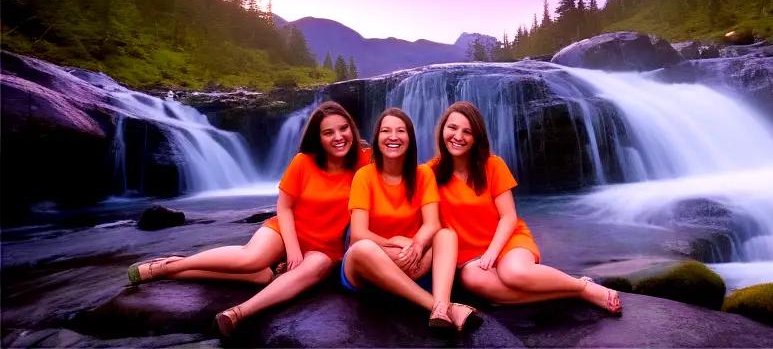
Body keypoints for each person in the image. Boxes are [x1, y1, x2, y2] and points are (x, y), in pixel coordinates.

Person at [126, 101, 371, 340]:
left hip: (326, 248)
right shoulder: (303, 162)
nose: (338, 136)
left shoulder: (364, 160)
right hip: (287, 231)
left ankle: (238, 313)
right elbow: (284, 207)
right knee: (252, 260)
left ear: (352, 128)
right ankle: (171, 266)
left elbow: (398, 168)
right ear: (318, 138)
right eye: (328, 132)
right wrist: (293, 247)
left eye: (343, 128)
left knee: (296, 271)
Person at [430, 101, 621, 315]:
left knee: (514, 273)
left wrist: (492, 252)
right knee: (472, 279)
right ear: (442, 129)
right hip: (468, 257)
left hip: (506, 240)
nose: (458, 137)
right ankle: (576, 290)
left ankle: (584, 287)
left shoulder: (493, 165)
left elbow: (508, 216)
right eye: (452, 128)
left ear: (477, 138)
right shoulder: (429, 174)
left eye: (467, 132)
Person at [341, 106, 483, 332]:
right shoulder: (364, 176)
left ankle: (438, 304)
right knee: (363, 248)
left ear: (410, 139)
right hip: (369, 266)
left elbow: (432, 224)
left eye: (401, 131)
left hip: (412, 262)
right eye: (386, 131)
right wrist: (396, 242)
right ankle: (441, 307)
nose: (393, 137)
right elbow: (358, 234)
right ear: (377, 138)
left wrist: (417, 244)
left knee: (446, 235)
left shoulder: (423, 174)